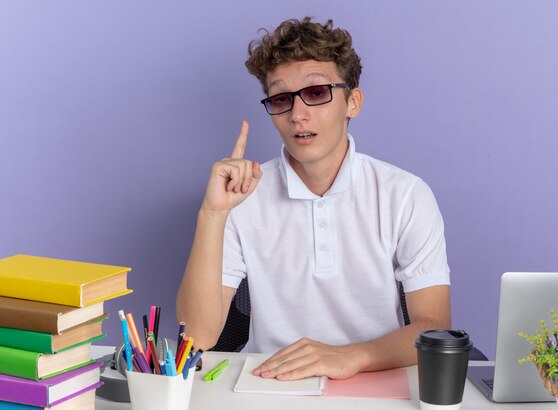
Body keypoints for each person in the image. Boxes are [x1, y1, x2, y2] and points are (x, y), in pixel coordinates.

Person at [177, 16, 451, 381]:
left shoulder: (405, 194)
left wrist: (350, 357)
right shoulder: (242, 197)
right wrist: (213, 213)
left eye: (317, 93)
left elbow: (433, 328)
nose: (298, 114)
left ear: (352, 102)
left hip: (377, 380)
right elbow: (196, 337)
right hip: (268, 383)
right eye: (280, 98)